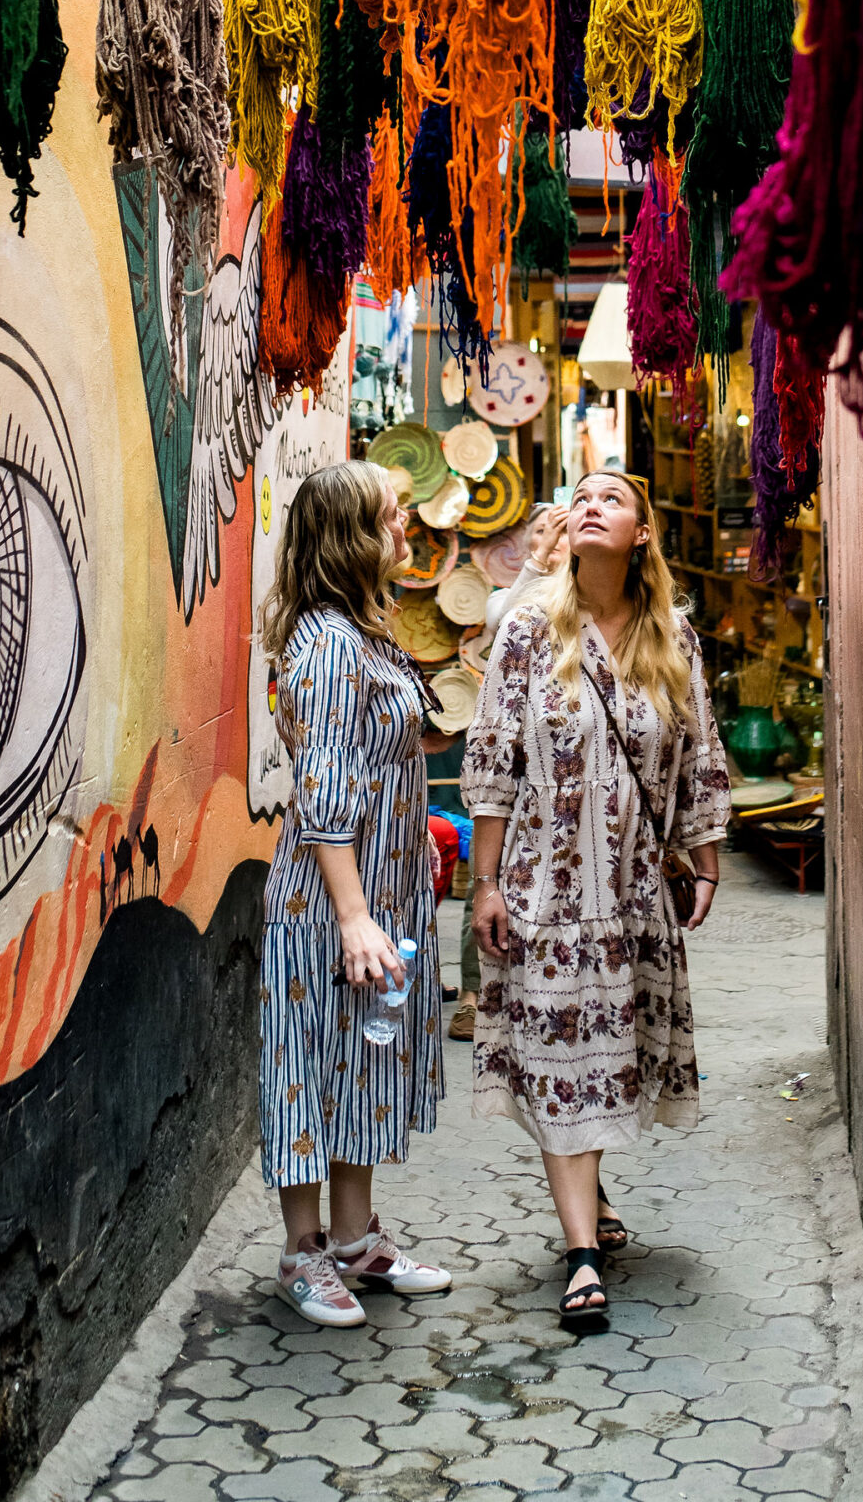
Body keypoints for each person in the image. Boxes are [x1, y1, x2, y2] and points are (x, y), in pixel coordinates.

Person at [460, 469, 731, 1331]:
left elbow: (699, 756)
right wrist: (485, 881)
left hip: (632, 893)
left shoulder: (673, 637)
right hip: (546, 891)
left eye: (610, 498)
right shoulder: (529, 633)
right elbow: (495, 759)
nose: (588, 505)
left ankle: (591, 1192)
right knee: (560, 1060)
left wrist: (707, 862)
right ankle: (580, 1253)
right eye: (579, 497)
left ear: (642, 533)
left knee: (608, 1060)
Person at [258, 460, 452, 1326]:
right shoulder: (332, 648)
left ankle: (353, 1240)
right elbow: (326, 795)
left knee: (361, 1057)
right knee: (309, 1059)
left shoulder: (360, 631)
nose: (406, 531)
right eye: (392, 517)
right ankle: (303, 1255)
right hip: (330, 904)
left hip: (378, 897)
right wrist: (353, 916)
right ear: (351, 540)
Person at [446, 502, 571, 1042]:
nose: (550, 539)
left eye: (559, 530)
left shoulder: (594, 600)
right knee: (490, 873)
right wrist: (538, 566)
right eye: (540, 532)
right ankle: (475, 994)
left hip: (567, 768)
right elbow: (500, 624)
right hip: (512, 764)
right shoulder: (512, 598)